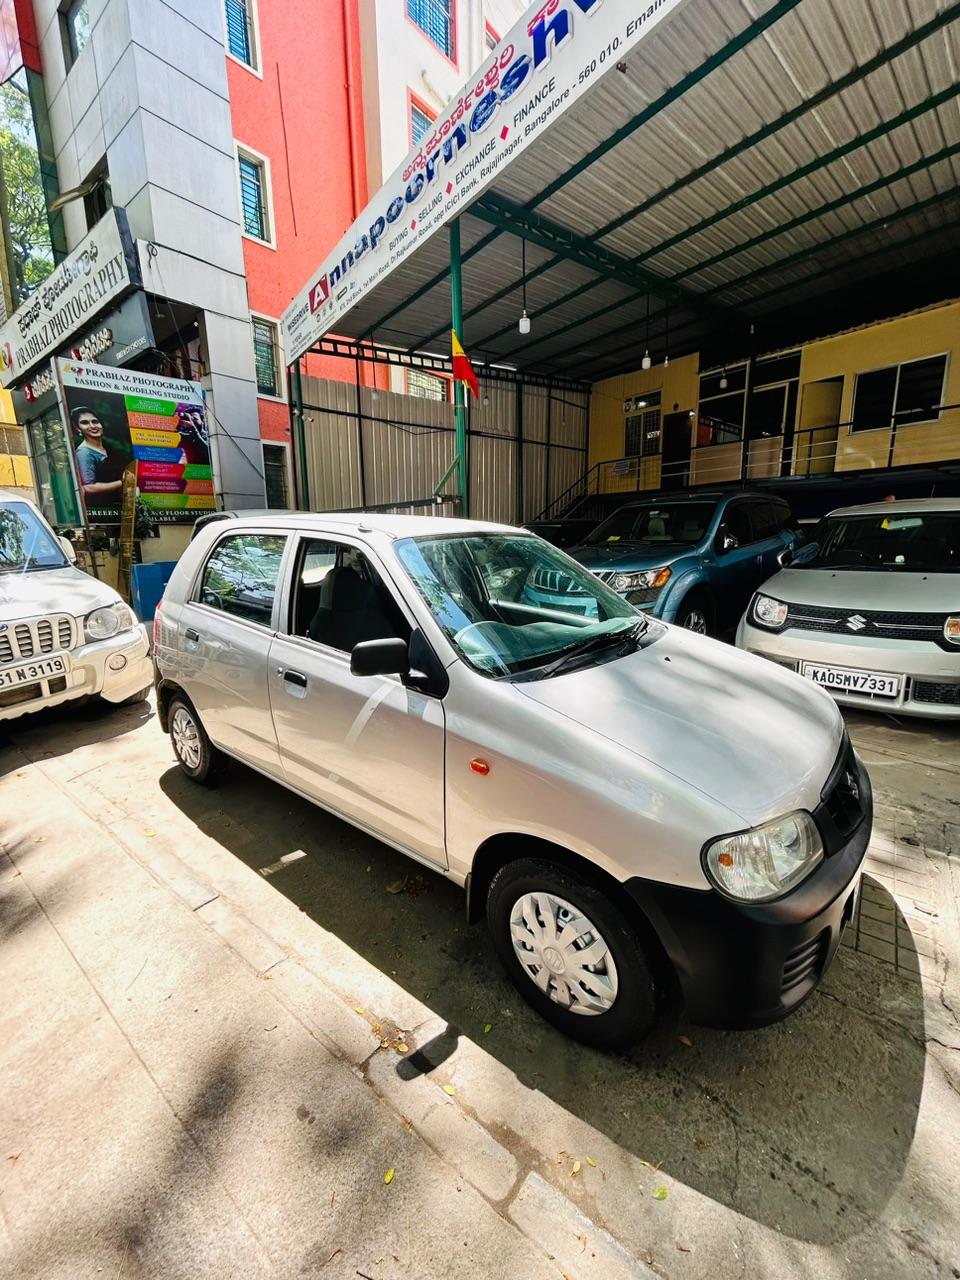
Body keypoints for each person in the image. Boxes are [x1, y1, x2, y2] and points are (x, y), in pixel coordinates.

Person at [72, 405, 123, 499]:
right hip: (102, 506)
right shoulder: (84, 453)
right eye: (85, 423)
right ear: (78, 429)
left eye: (95, 421)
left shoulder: (109, 447)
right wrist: (122, 483)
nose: (92, 426)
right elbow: (89, 487)